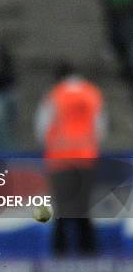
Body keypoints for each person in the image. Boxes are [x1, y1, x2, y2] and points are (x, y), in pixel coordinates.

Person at [35, 62, 107, 257]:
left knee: (62, 211)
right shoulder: (92, 93)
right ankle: (89, 256)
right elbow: (99, 127)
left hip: (60, 161)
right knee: (84, 210)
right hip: (86, 158)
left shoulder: (54, 94)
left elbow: (42, 128)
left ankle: (60, 257)